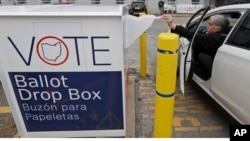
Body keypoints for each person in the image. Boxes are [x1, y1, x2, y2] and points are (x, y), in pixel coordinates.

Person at [162, 14, 230, 79]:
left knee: (201, 56)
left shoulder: (215, 38)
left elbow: (194, 36)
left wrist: (172, 25)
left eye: (210, 24)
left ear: (218, 27)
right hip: (221, 64)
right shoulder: (226, 33)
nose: (207, 26)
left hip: (216, 67)